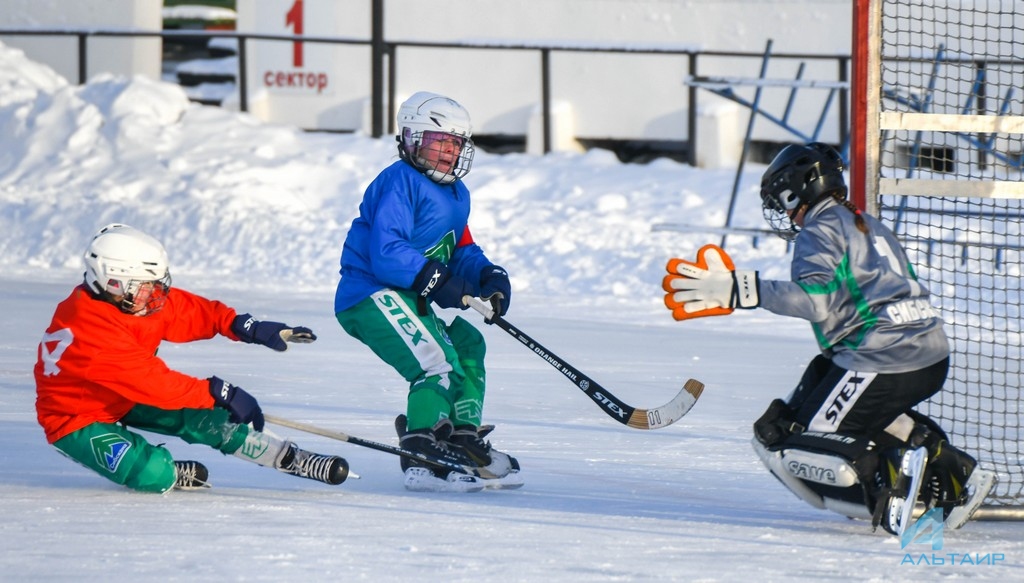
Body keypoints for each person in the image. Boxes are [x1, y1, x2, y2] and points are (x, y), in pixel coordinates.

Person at [662, 142, 993, 534]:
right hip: (929, 355)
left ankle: (896, 482)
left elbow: (816, 301)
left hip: (885, 357)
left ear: (795, 191)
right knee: (837, 396)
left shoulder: (819, 230)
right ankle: (947, 464)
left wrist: (742, 290)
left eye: (783, 202)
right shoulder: (867, 223)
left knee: (801, 441)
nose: (785, 212)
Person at [35, 223, 351, 493]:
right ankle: (163, 470)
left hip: (122, 394)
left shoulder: (131, 302)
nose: (155, 296)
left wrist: (240, 325)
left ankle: (286, 457)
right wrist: (219, 392)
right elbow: (156, 385)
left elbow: (183, 311)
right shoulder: (91, 332)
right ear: (112, 282)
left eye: (154, 286)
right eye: (145, 288)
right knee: (152, 475)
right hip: (76, 419)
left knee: (210, 420)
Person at [334, 91, 520, 492]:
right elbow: (387, 252)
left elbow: (460, 249)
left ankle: (461, 436)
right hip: (371, 294)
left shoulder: (457, 194)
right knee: (435, 361)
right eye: (441, 142)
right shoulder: (399, 181)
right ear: (412, 138)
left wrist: (488, 275)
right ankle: (422, 445)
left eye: (456, 144)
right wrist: (439, 281)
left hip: (407, 294)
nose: (449, 153)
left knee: (467, 343)